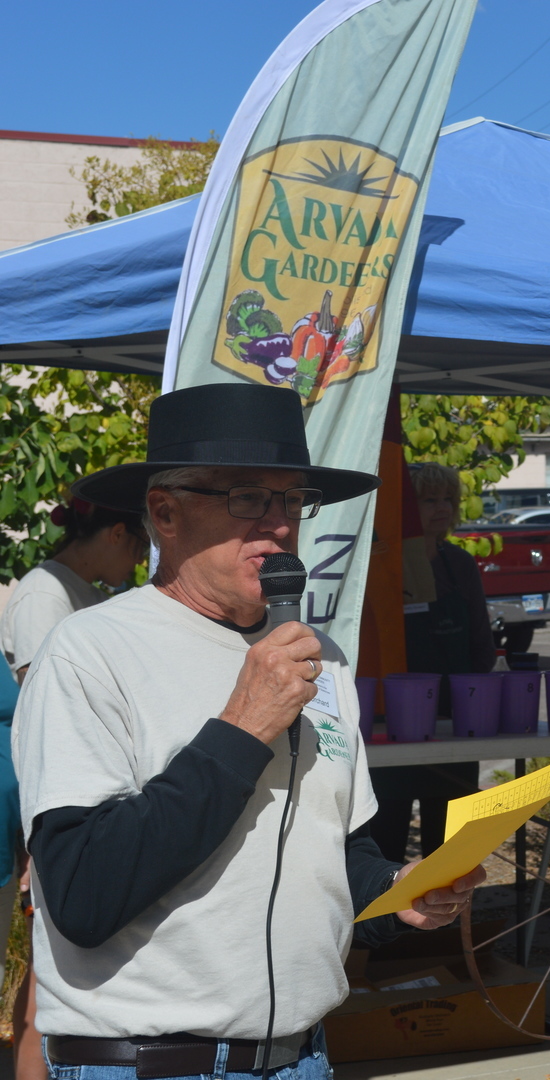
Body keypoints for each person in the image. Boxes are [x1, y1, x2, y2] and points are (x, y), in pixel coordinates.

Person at [13, 383, 484, 1079]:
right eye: (245, 498)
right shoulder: (90, 650)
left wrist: (399, 889)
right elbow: (84, 892)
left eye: (291, 500)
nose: (278, 524)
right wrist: (241, 727)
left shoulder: (321, 656)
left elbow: (329, 854)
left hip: (302, 1059)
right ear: (165, 513)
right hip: (149, 1062)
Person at [0, 497, 146, 1080]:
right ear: (115, 532)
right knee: (44, 986)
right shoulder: (44, 593)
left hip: (75, 801)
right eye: (137, 546)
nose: (137, 563)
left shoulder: (78, 592)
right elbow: (49, 711)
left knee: (46, 978)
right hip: (50, 803)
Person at [368, 462, 495, 863]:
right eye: (428, 500)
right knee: (384, 839)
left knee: (450, 851)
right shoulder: (379, 566)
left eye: (447, 499)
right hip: (392, 723)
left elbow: (481, 646)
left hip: (453, 721)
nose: (441, 508)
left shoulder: (459, 564)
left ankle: (448, 926)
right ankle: (384, 923)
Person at [1, 499, 147, 681]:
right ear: (117, 534)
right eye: (143, 546)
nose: (141, 560)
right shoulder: (44, 592)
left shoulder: (91, 595)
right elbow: (40, 688)